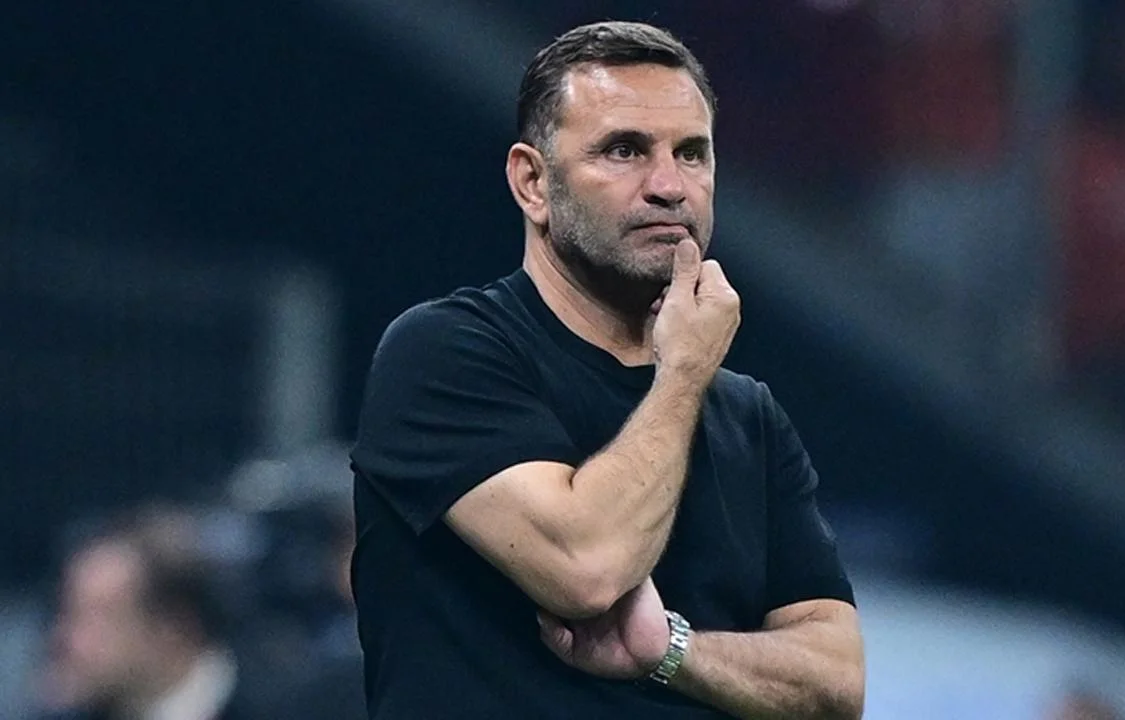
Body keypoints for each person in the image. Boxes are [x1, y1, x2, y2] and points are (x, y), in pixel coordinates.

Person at [349, 20, 865, 720]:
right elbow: (586, 570)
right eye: (625, 150)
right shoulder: (444, 353)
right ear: (532, 182)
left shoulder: (748, 416)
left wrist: (672, 651)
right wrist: (682, 375)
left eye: (692, 153)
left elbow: (837, 687)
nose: (669, 186)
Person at [37, 505, 267, 720]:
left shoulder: (276, 706)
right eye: (66, 613)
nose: (63, 638)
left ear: (173, 628)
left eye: (97, 619)